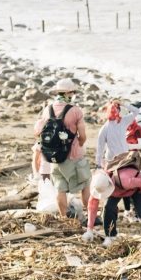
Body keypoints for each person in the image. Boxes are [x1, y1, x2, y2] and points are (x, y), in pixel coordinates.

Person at [34, 79, 90, 219]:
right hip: (73, 156)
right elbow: (82, 136)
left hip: (54, 156)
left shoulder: (47, 110)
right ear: (68, 93)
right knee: (85, 184)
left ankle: (63, 217)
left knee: (60, 189)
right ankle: (90, 215)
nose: (73, 95)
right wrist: (79, 144)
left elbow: (40, 132)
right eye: (72, 92)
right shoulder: (75, 111)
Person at [85, 156, 141, 247]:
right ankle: (111, 237)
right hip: (117, 190)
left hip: (135, 188)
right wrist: (89, 230)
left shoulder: (126, 181)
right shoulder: (99, 184)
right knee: (108, 208)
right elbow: (92, 206)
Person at [94, 101, 137, 170]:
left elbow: (100, 149)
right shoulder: (124, 121)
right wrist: (123, 103)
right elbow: (136, 111)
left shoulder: (105, 128)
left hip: (121, 159)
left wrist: (98, 165)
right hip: (117, 160)